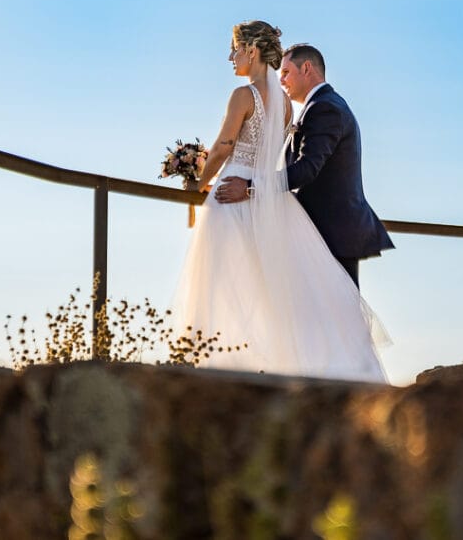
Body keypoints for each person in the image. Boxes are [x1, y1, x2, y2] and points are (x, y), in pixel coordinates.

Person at [169, 21, 390, 382]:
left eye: (235, 50)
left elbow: (228, 146)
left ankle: (220, 371)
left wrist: (200, 181)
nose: (231, 57)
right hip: (274, 205)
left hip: (238, 193)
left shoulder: (247, 96)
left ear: (251, 51)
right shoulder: (289, 108)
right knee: (277, 289)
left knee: (225, 282)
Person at [215, 43, 394, 288]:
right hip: (323, 232)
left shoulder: (325, 108)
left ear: (307, 68)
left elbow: (307, 169)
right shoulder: (321, 105)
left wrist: (249, 187)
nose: (282, 82)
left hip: (332, 233)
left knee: (341, 317)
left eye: (286, 73)